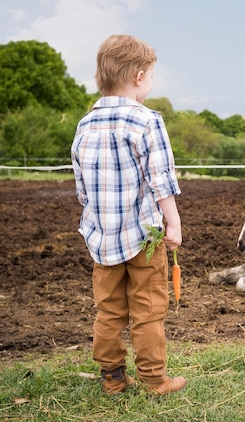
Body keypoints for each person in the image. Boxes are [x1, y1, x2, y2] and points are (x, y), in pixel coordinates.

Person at [71, 34, 186, 396]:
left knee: (109, 312)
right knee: (148, 310)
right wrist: (174, 222)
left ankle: (113, 379)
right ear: (138, 76)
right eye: (151, 76)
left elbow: (82, 189)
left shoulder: (85, 124)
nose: (151, 83)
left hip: (102, 240)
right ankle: (155, 380)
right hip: (143, 242)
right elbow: (161, 180)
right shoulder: (146, 121)